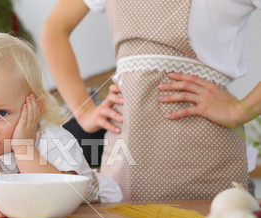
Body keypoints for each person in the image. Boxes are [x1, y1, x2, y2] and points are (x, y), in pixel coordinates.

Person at [40, 0, 261, 201]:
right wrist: (84, 109)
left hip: (209, 155)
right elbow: (54, 30)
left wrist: (240, 110)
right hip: (125, 152)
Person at [0, 33, 123, 217]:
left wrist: (24, 148)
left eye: (2, 113)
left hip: (100, 212)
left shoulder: (54, 140)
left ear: (35, 108)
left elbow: (60, 196)